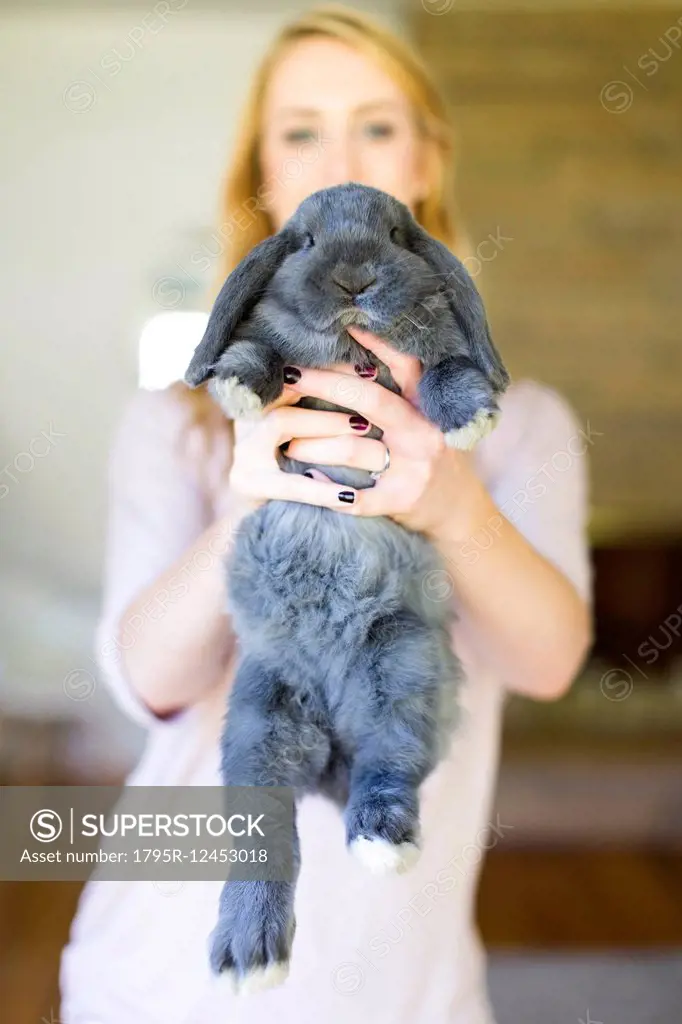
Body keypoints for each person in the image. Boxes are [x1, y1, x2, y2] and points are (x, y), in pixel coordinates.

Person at [59, 6, 593, 1023]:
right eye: (300, 128)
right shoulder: (179, 423)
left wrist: (450, 496)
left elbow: (549, 661)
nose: (340, 154)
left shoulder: (519, 424)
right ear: (263, 176)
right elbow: (146, 684)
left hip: (409, 984)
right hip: (167, 969)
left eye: (377, 125)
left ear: (429, 159)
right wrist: (246, 505)